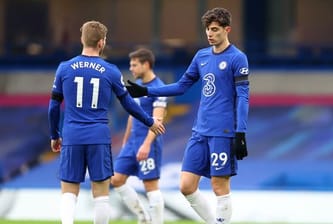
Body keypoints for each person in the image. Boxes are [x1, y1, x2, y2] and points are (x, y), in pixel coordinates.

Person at [125, 7, 249, 224]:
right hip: (200, 130)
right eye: (207, 30)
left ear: (226, 29)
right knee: (186, 186)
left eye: (214, 29)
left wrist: (240, 133)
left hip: (224, 131)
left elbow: (243, 97)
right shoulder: (201, 56)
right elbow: (181, 86)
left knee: (219, 185)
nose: (210, 34)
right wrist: (147, 91)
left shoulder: (237, 58)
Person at [48, 21, 165, 224]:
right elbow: (128, 103)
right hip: (98, 137)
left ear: (82, 39)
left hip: (72, 135)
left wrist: (54, 135)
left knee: (69, 192)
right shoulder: (110, 71)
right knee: (101, 195)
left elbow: (53, 106)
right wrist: (149, 121)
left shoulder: (64, 68)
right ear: (102, 42)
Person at [111, 48, 167, 224]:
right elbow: (132, 115)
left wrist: (146, 144)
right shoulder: (137, 88)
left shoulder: (159, 88)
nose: (132, 69)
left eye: (134, 65)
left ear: (146, 64)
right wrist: (126, 140)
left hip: (148, 143)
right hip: (132, 142)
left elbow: (157, 119)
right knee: (117, 179)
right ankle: (143, 216)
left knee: (150, 185)